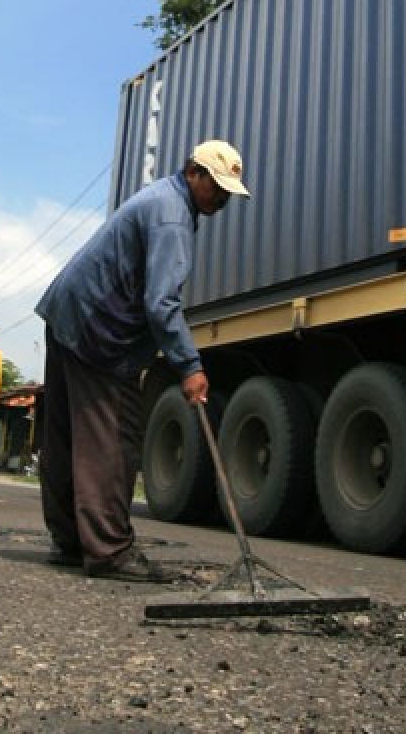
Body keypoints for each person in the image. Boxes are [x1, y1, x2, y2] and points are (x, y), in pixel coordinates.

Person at [35, 140, 251, 581]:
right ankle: (110, 550)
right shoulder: (172, 215)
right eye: (219, 188)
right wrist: (190, 366)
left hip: (67, 312)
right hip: (96, 328)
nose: (223, 199)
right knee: (113, 439)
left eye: (230, 192)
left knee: (67, 436)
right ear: (194, 173)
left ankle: (70, 541)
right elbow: (161, 304)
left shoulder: (161, 198)